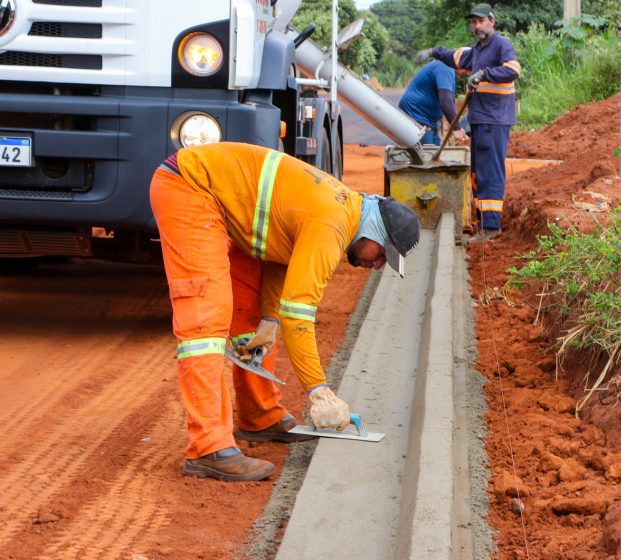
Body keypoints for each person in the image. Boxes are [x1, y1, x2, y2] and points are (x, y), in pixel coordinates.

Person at [149, 142, 420, 482]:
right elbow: (299, 314)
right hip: (191, 187)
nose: (377, 265)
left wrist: (268, 317)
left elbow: (280, 254)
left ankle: (260, 418)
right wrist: (318, 391)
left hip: (228, 208)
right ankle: (207, 449)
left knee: (249, 318)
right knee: (205, 321)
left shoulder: (342, 212)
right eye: (382, 254)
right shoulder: (333, 224)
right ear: (374, 232)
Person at [416, 3, 521, 243]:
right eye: (473, 22)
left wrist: (484, 74)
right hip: (480, 120)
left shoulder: (500, 45)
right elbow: (455, 57)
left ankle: (491, 227)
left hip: (494, 120)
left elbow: (513, 69)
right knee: (479, 174)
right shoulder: (478, 50)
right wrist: (434, 51)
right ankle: (484, 223)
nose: (476, 25)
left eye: (481, 21)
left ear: (492, 21)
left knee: (490, 173)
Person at [398, 60, 467, 146]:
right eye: (467, 68)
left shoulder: (450, 73)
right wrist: (456, 128)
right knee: (425, 156)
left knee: (434, 154)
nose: (467, 73)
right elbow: (445, 100)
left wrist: (457, 127)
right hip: (417, 116)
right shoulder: (446, 67)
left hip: (430, 121)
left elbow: (450, 103)